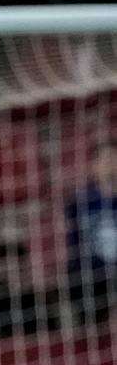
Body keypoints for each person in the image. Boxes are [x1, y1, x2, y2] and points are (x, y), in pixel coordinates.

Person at [65, 137, 116, 329]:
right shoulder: (80, 202)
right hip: (91, 273)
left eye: (114, 159)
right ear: (94, 166)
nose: (111, 166)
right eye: (105, 160)